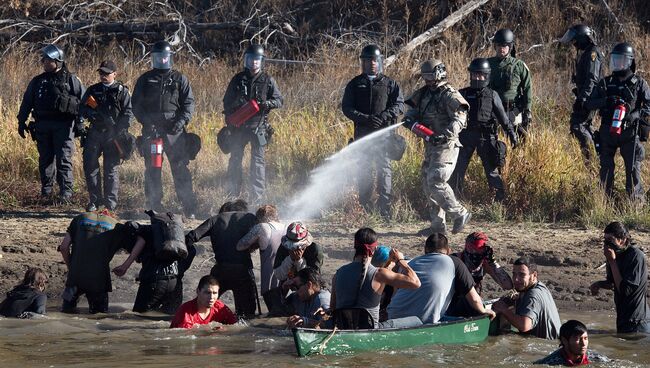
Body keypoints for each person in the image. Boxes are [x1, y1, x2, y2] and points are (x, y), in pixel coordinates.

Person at [402, 60, 471, 235]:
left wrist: (446, 134)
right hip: (431, 145)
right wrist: (409, 120)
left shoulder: (449, 95)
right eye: (425, 76)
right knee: (427, 183)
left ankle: (460, 213)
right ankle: (437, 227)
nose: (428, 80)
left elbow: (460, 118)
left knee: (436, 179)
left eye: (431, 75)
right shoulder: (423, 94)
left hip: (447, 145)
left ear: (440, 73)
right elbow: (412, 112)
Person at [132, 40, 198, 218]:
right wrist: (146, 122)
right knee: (153, 168)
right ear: (154, 58)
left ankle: (188, 207)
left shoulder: (179, 79)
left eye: (164, 57)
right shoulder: (145, 79)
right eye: (158, 57)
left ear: (170, 58)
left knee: (180, 168)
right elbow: (136, 105)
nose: (161, 60)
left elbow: (189, 104)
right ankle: (154, 206)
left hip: (174, 131)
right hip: (152, 130)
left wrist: (181, 121)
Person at [341, 44, 405, 220]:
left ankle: (385, 210)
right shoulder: (355, 84)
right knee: (365, 171)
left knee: (384, 171)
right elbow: (346, 108)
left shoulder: (390, 84)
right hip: (363, 136)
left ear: (380, 62)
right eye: (368, 60)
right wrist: (365, 118)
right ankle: (366, 208)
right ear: (363, 62)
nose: (372, 64)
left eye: (375, 60)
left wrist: (384, 116)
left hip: (384, 137)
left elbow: (400, 105)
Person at [17, 44, 85, 203]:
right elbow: (27, 102)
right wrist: (21, 121)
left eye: (47, 60)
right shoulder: (38, 81)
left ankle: (66, 193)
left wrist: (81, 122)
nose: (44, 62)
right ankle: (46, 192)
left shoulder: (71, 80)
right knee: (45, 160)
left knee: (64, 159)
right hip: (42, 125)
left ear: (58, 61)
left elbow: (84, 101)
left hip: (64, 126)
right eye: (43, 59)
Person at [585, 42, 650, 202]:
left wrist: (635, 115)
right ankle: (604, 204)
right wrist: (605, 101)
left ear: (629, 61)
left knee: (633, 169)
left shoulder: (639, 83)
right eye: (615, 59)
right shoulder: (606, 82)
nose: (617, 63)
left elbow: (649, 105)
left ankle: (634, 207)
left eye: (621, 60)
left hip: (630, 132)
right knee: (606, 169)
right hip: (607, 130)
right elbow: (589, 103)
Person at [450, 58, 518, 202]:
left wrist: (511, 134)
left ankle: (499, 201)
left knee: (492, 171)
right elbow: (450, 113)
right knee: (457, 169)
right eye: (474, 74)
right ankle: (454, 200)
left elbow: (503, 118)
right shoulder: (463, 93)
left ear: (486, 76)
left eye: (480, 75)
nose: (477, 78)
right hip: (466, 137)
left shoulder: (492, 95)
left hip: (485, 137)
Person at [222, 44, 283, 205]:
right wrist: (232, 114)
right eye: (250, 59)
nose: (253, 63)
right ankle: (232, 197)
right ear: (246, 60)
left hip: (258, 126)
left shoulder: (268, 80)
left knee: (257, 163)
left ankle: (256, 200)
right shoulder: (237, 79)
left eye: (256, 60)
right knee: (235, 160)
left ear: (261, 61)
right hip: (238, 127)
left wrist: (266, 103)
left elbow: (279, 100)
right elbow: (226, 102)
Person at [387, 233, 494, 323]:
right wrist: (484, 311)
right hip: (421, 321)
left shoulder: (412, 262)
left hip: (393, 315)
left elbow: (395, 292)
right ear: (448, 251)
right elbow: (474, 299)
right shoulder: (455, 262)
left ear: (425, 250)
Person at [331, 227, 420, 328]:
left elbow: (333, 308)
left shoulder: (338, 274)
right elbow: (415, 282)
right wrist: (401, 260)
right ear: (374, 250)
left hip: (345, 329)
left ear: (355, 247)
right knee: (416, 321)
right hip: (371, 331)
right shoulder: (379, 274)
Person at [59, 211, 145, 314]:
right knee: (99, 316)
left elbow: (64, 247)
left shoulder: (79, 218)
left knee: (66, 311)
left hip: (74, 279)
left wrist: (71, 268)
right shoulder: (116, 226)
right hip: (99, 281)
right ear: (112, 215)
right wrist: (125, 266)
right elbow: (141, 241)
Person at [185, 199, 258, 318]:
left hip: (221, 271)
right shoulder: (249, 218)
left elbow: (191, 237)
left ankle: (194, 318)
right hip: (242, 271)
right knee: (246, 314)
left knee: (204, 307)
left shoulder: (214, 219)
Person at [78, 60, 134, 212]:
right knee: (90, 167)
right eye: (101, 73)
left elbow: (128, 113)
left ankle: (110, 205)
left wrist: (120, 130)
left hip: (113, 135)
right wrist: (92, 114)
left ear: (115, 74)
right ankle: (95, 201)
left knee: (111, 170)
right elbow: (82, 109)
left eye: (106, 73)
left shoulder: (122, 91)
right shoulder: (92, 90)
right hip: (95, 133)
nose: (103, 76)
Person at [590, 221, 650, 333]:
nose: (607, 244)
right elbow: (613, 283)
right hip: (623, 320)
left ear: (622, 239)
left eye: (610, 240)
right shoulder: (615, 255)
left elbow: (625, 290)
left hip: (638, 323)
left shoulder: (635, 256)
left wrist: (612, 262)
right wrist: (598, 284)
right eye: (605, 240)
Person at [559, 24, 604, 163]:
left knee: (578, 126)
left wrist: (582, 98)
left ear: (583, 38)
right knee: (584, 126)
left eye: (575, 41)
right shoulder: (586, 52)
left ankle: (591, 161)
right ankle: (594, 157)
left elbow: (592, 78)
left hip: (591, 98)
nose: (574, 44)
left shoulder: (593, 53)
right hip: (587, 96)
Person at [130, 220, 195, 314]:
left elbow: (137, 256)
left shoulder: (146, 233)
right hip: (176, 283)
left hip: (153, 282)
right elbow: (192, 250)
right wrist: (180, 271)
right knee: (171, 317)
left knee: (140, 316)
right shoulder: (178, 238)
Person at [492, 257, 561, 339]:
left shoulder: (533, 295)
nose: (516, 279)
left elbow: (524, 326)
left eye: (522, 274)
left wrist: (504, 310)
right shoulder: (539, 287)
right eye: (514, 274)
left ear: (534, 275)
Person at [265, 221, 324, 316]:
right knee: (273, 300)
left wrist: (299, 261)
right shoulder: (284, 248)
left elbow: (313, 279)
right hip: (288, 284)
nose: (295, 250)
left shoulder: (314, 250)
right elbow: (279, 274)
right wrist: (290, 259)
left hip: (307, 286)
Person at [236, 204, 284, 312]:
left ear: (259, 218)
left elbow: (240, 246)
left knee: (274, 315)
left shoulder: (262, 227)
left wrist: (256, 243)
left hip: (271, 282)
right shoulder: (285, 227)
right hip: (288, 281)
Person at [488, 29, 532, 140]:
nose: (501, 48)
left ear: (510, 47)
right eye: (498, 45)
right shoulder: (487, 64)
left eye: (505, 45)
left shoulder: (519, 65)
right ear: (495, 46)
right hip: (493, 111)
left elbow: (527, 89)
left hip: (513, 111)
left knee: (519, 141)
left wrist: (527, 110)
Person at [170, 275, 238, 329]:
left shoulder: (220, 308)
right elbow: (185, 338)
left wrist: (225, 329)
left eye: (215, 293)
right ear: (198, 291)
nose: (211, 297)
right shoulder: (186, 312)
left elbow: (236, 327)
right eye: (207, 293)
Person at [534, 320, 610, 366]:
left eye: (585, 338)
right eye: (578, 339)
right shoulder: (551, 362)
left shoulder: (595, 357)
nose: (583, 344)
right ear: (564, 341)